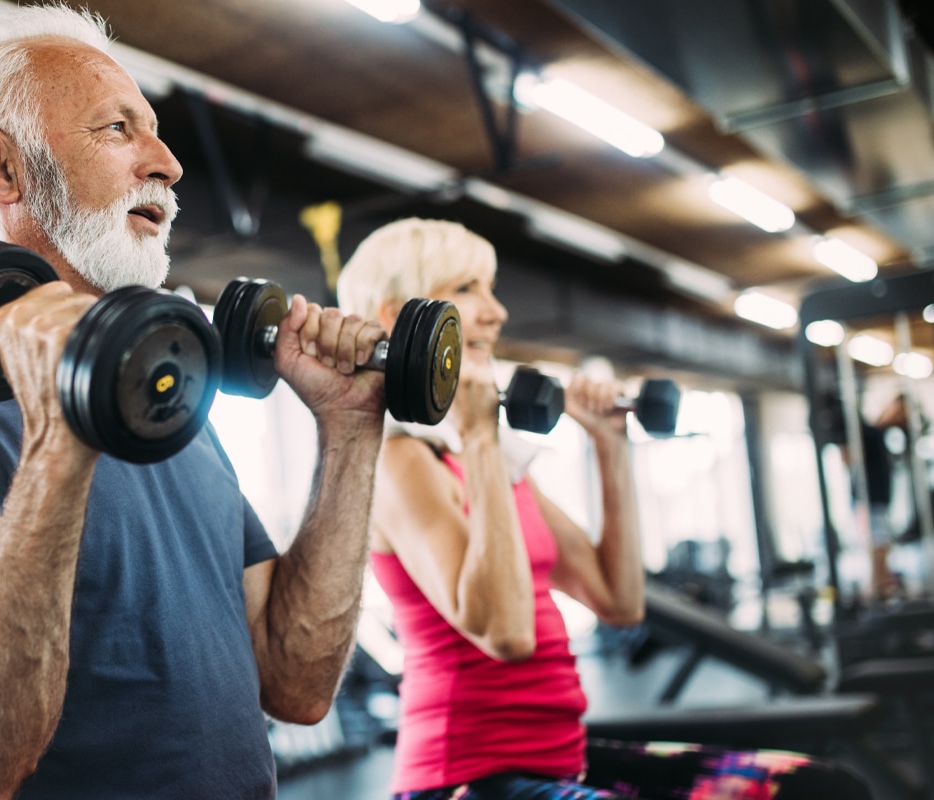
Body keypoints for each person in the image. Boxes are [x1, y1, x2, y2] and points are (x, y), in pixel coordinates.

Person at [0, 5, 390, 799]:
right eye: (117, 129)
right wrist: (61, 438)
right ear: (3, 167)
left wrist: (350, 427)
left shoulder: (169, 394)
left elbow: (295, 682)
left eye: (152, 130)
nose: (167, 163)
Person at [337, 218, 870, 800]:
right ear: (397, 316)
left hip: (563, 759)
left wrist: (609, 444)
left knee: (820, 790)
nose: (496, 311)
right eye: (468, 290)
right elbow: (505, 633)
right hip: (467, 779)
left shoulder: (486, 463)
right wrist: (483, 437)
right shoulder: (400, 461)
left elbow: (618, 601)